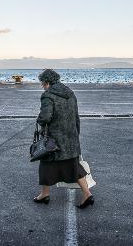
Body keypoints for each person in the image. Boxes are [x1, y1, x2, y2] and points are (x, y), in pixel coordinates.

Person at [34, 69, 94, 209]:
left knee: (46, 166)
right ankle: (87, 194)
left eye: (43, 84)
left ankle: (44, 194)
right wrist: (76, 134)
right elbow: (76, 116)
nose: (43, 86)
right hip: (71, 138)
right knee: (74, 167)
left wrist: (40, 120)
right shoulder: (70, 93)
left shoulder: (47, 96)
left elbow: (45, 117)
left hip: (54, 140)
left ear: (47, 82)